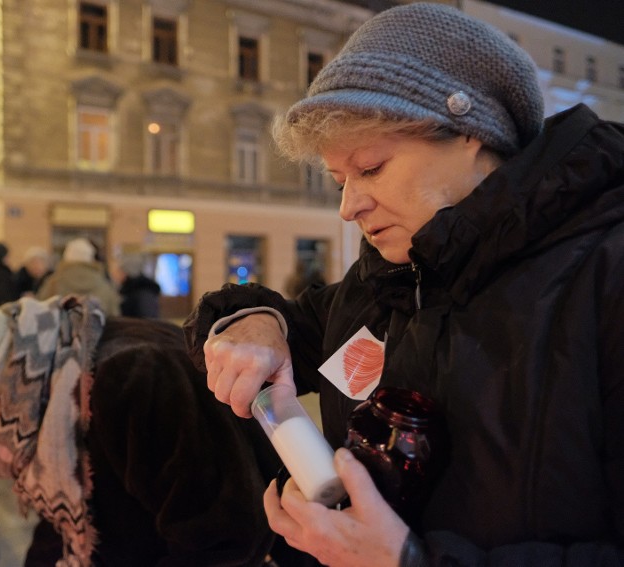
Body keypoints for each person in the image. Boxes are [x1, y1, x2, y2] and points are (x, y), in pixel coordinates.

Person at [182, 3, 624, 566]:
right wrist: (253, 323)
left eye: (370, 168)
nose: (348, 207)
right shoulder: (386, 279)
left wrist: (408, 560)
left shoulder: (604, 275)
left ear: (471, 133)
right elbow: (292, 321)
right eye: (339, 181)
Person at [0, 296, 316, 566]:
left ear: (2, 388)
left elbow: (225, 537)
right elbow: (65, 523)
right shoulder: (52, 386)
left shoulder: (132, 378)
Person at [37, 237, 121, 316]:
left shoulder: (53, 282)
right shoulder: (104, 284)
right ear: (90, 257)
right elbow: (114, 314)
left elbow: (41, 312)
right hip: (95, 330)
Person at [117, 253, 161, 318]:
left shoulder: (143, 294)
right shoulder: (132, 291)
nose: (118, 275)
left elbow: (146, 323)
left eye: (122, 271)